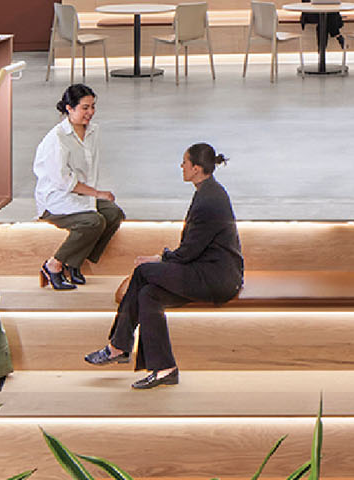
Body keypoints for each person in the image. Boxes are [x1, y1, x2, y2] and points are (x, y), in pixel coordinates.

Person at [84, 143, 243, 389]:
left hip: (217, 278)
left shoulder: (209, 200)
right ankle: (164, 369)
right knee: (149, 295)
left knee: (143, 271)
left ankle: (118, 346)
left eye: (185, 162)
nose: (181, 166)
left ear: (197, 168)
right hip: (205, 270)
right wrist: (162, 259)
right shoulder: (207, 191)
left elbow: (189, 251)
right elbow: (191, 249)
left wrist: (158, 258)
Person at [33, 84, 125, 291]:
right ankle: (54, 265)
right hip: (56, 200)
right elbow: (63, 182)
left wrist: (95, 196)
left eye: (92, 107)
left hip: (81, 196)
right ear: (69, 108)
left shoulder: (93, 131)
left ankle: (74, 262)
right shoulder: (56, 140)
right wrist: (98, 193)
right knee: (93, 222)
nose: (90, 112)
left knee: (113, 213)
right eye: (85, 108)